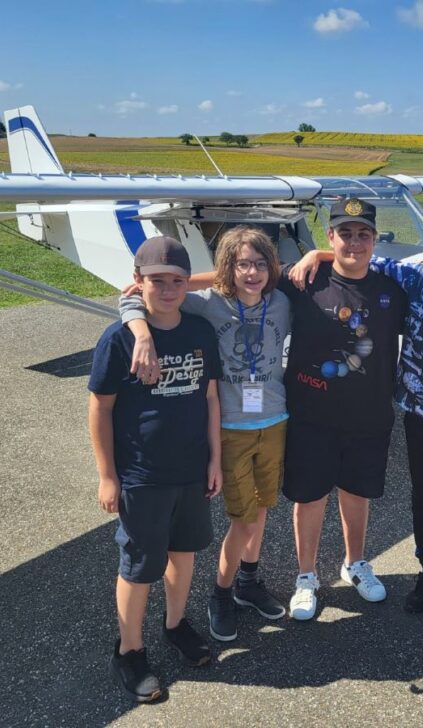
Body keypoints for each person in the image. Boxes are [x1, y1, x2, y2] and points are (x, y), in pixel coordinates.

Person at [291, 211, 423, 615]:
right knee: (422, 497)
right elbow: (354, 257)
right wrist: (316, 256)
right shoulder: (414, 278)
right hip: (420, 412)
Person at [120, 226, 291, 644]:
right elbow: (131, 298)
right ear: (226, 270)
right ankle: (222, 593)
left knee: (262, 508)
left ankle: (248, 581)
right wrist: (141, 333)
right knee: (243, 517)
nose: (251, 273)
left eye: (259, 264)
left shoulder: (282, 302)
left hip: (274, 421)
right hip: (231, 427)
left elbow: (325, 265)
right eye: (241, 265)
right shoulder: (208, 305)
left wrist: (317, 256)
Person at [89, 235, 222, 702]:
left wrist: (216, 459)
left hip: (190, 470)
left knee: (184, 553)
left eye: (177, 281)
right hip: (142, 476)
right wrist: (108, 475)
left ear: (188, 283)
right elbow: (100, 407)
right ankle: (129, 650)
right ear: (137, 283)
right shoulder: (119, 338)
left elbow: (209, 397)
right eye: (156, 281)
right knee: (140, 565)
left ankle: (176, 623)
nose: (167, 290)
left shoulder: (200, 331)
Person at [280, 197, 407, 620]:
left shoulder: (392, 290)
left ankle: (355, 563)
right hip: (310, 417)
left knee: (356, 495)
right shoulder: (304, 280)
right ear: (330, 236)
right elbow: (238, 279)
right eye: (345, 233)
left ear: (374, 240)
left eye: (363, 234)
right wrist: (176, 283)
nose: (355, 242)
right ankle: (306, 576)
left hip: (368, 418)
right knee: (309, 498)